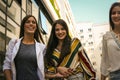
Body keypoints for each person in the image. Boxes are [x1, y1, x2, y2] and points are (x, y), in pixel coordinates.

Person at [3, 15, 46, 80]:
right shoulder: (13, 43)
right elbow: (7, 65)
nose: (31, 24)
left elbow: (46, 69)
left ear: (36, 27)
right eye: (28, 22)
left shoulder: (42, 48)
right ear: (23, 26)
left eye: (33, 22)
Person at [101, 2, 120, 80]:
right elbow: (105, 61)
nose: (116, 15)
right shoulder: (106, 37)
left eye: (119, 13)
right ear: (110, 16)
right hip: (114, 76)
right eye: (113, 13)